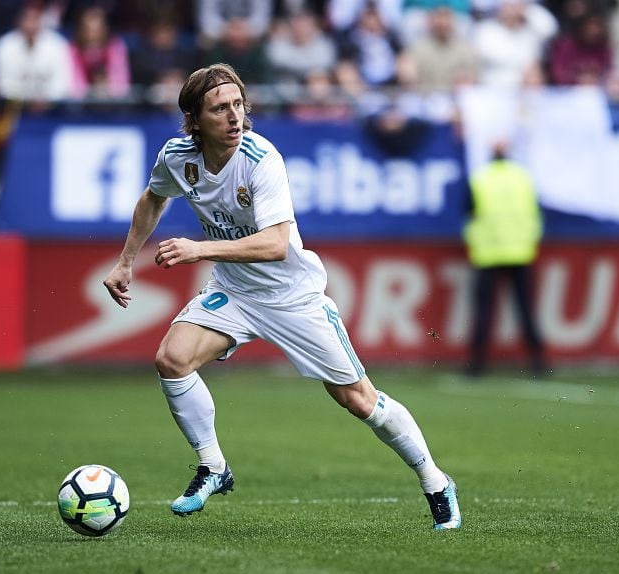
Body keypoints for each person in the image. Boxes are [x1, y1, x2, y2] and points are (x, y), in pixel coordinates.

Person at [102, 63, 461, 530]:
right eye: (219, 109)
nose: (234, 117)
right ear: (194, 120)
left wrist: (200, 248)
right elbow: (153, 197)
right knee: (172, 359)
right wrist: (127, 260)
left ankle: (436, 482)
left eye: (238, 104)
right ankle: (213, 467)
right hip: (235, 292)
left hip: (293, 297)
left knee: (359, 400)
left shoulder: (260, 158)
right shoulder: (177, 157)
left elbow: (274, 245)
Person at [464, 140, 546, 377]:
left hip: (488, 252)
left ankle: (477, 366)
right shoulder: (523, 177)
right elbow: (536, 212)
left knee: (483, 311)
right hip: (520, 250)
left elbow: (468, 213)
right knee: (526, 309)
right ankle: (539, 363)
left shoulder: (481, 178)